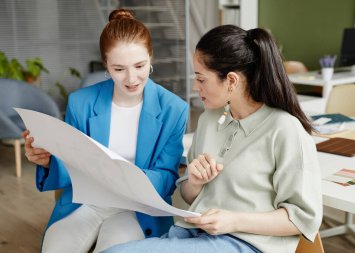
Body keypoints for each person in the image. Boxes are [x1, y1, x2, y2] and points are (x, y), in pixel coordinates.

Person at [102, 25, 323, 253]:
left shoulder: (285, 129)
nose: (195, 86)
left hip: (246, 244)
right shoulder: (210, 120)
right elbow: (187, 195)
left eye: (201, 79)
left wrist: (234, 221)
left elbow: (302, 219)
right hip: (191, 234)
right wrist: (195, 183)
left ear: (231, 81)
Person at [22, 8, 188, 253]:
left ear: (151, 58)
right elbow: (72, 161)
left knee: (113, 249)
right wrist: (48, 161)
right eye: (119, 69)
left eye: (140, 65)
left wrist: (129, 178)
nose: (131, 78)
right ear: (106, 66)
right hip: (87, 202)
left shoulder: (174, 109)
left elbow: (166, 176)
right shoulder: (81, 102)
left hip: (138, 208)